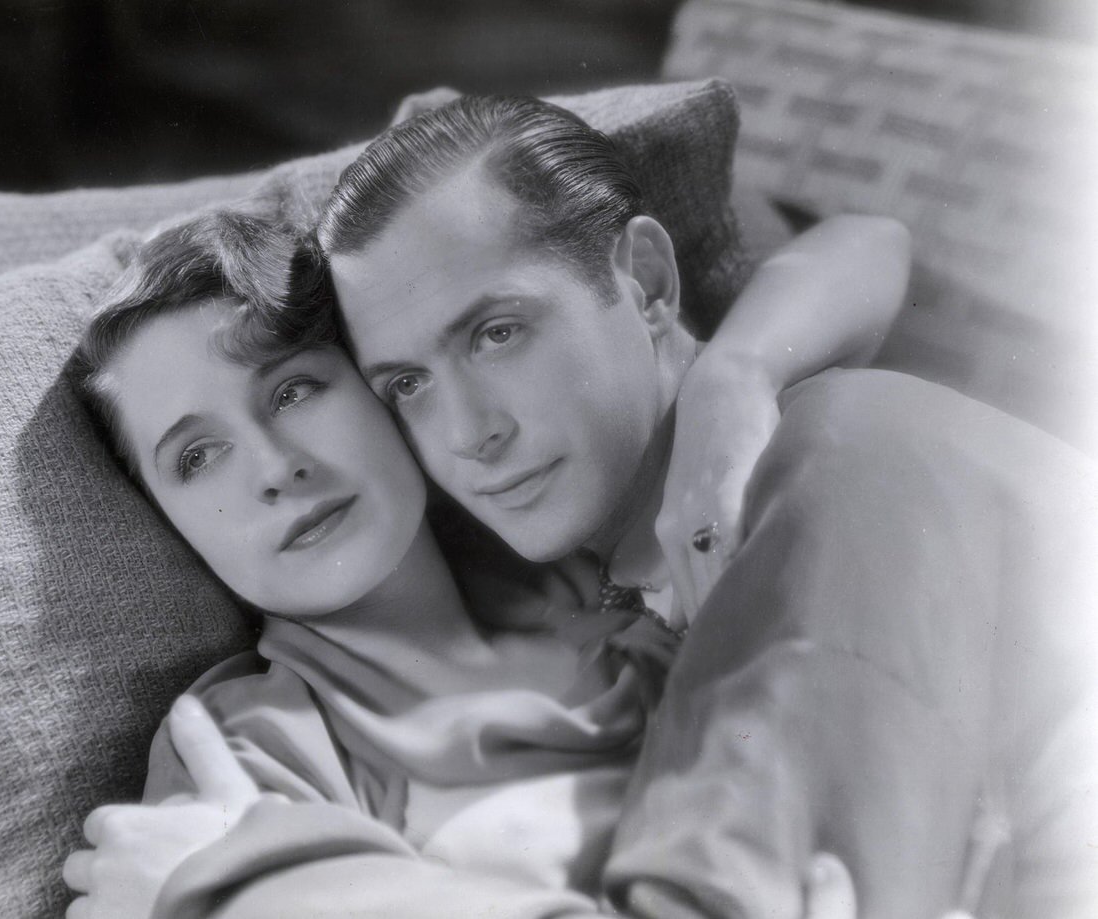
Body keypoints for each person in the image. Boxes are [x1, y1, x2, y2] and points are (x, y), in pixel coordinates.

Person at [312, 94, 1098, 917]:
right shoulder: (570, 621)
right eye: (407, 384)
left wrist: (736, 372)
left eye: (499, 333)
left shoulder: (840, 447)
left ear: (647, 283)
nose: (467, 433)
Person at [60, 207, 906, 919]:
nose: (276, 466)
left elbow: (869, 245)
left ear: (384, 385)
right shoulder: (246, 748)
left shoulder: (583, 544)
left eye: (293, 391)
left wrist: (734, 374)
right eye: (198, 457)